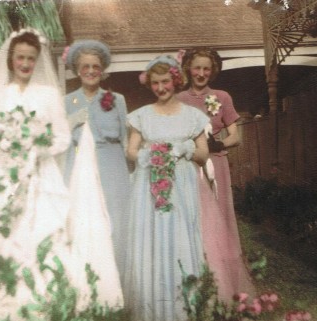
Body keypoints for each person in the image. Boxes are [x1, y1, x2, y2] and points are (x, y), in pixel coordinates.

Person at [0, 29, 123, 320]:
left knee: (41, 234)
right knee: (5, 236)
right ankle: (4, 304)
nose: (25, 64)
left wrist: (35, 148)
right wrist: (11, 152)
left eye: (31, 58)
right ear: (11, 59)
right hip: (5, 177)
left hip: (40, 177)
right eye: (20, 58)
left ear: (37, 61)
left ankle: (43, 302)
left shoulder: (48, 95)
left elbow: (61, 138)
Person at [124, 55, 209, 321]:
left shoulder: (193, 116)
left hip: (181, 186)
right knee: (152, 239)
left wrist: (184, 148)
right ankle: (153, 309)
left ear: (175, 80)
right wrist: (151, 155)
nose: (161, 88)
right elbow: (131, 151)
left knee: (180, 238)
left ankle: (182, 308)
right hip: (148, 187)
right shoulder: (142, 116)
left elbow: (203, 154)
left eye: (165, 82)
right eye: (155, 84)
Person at [177, 48, 255, 301]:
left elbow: (236, 135)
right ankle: (194, 275)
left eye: (206, 69)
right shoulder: (178, 99)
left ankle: (224, 279)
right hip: (188, 164)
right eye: (196, 68)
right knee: (192, 216)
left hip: (215, 164)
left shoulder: (221, 96)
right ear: (188, 68)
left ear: (213, 71)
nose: (201, 73)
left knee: (219, 216)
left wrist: (220, 144)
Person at [63, 39, 131, 286]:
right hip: (80, 170)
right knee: (83, 224)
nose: (91, 71)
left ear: (102, 70)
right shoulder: (67, 101)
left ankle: (116, 286)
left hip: (111, 168)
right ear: (77, 70)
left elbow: (126, 141)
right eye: (85, 66)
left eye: (95, 66)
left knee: (116, 222)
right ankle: (82, 285)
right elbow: (60, 142)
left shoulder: (117, 100)